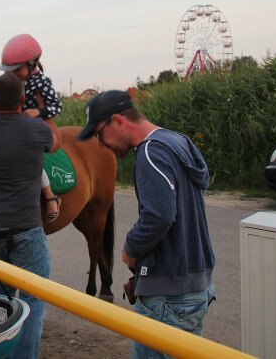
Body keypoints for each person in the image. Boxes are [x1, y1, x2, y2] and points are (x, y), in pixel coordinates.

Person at [77, 90, 217, 359]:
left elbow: (159, 216)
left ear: (118, 121)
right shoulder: (178, 141)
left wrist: (130, 247)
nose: (101, 144)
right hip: (196, 283)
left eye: (99, 134)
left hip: (168, 295)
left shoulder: (150, 153)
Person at [0, 72, 59, 359]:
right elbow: (55, 144)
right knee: (32, 299)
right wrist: (40, 111)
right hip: (26, 230)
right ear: (22, 99)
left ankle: (1, 353)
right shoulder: (36, 130)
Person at [0, 34, 62, 222]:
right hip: (15, 125)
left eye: (16, 69)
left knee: (29, 157)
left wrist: (38, 112)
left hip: (33, 128)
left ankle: (50, 196)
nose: (12, 73)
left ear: (31, 64)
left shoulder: (42, 82)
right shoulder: (14, 79)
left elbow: (57, 106)